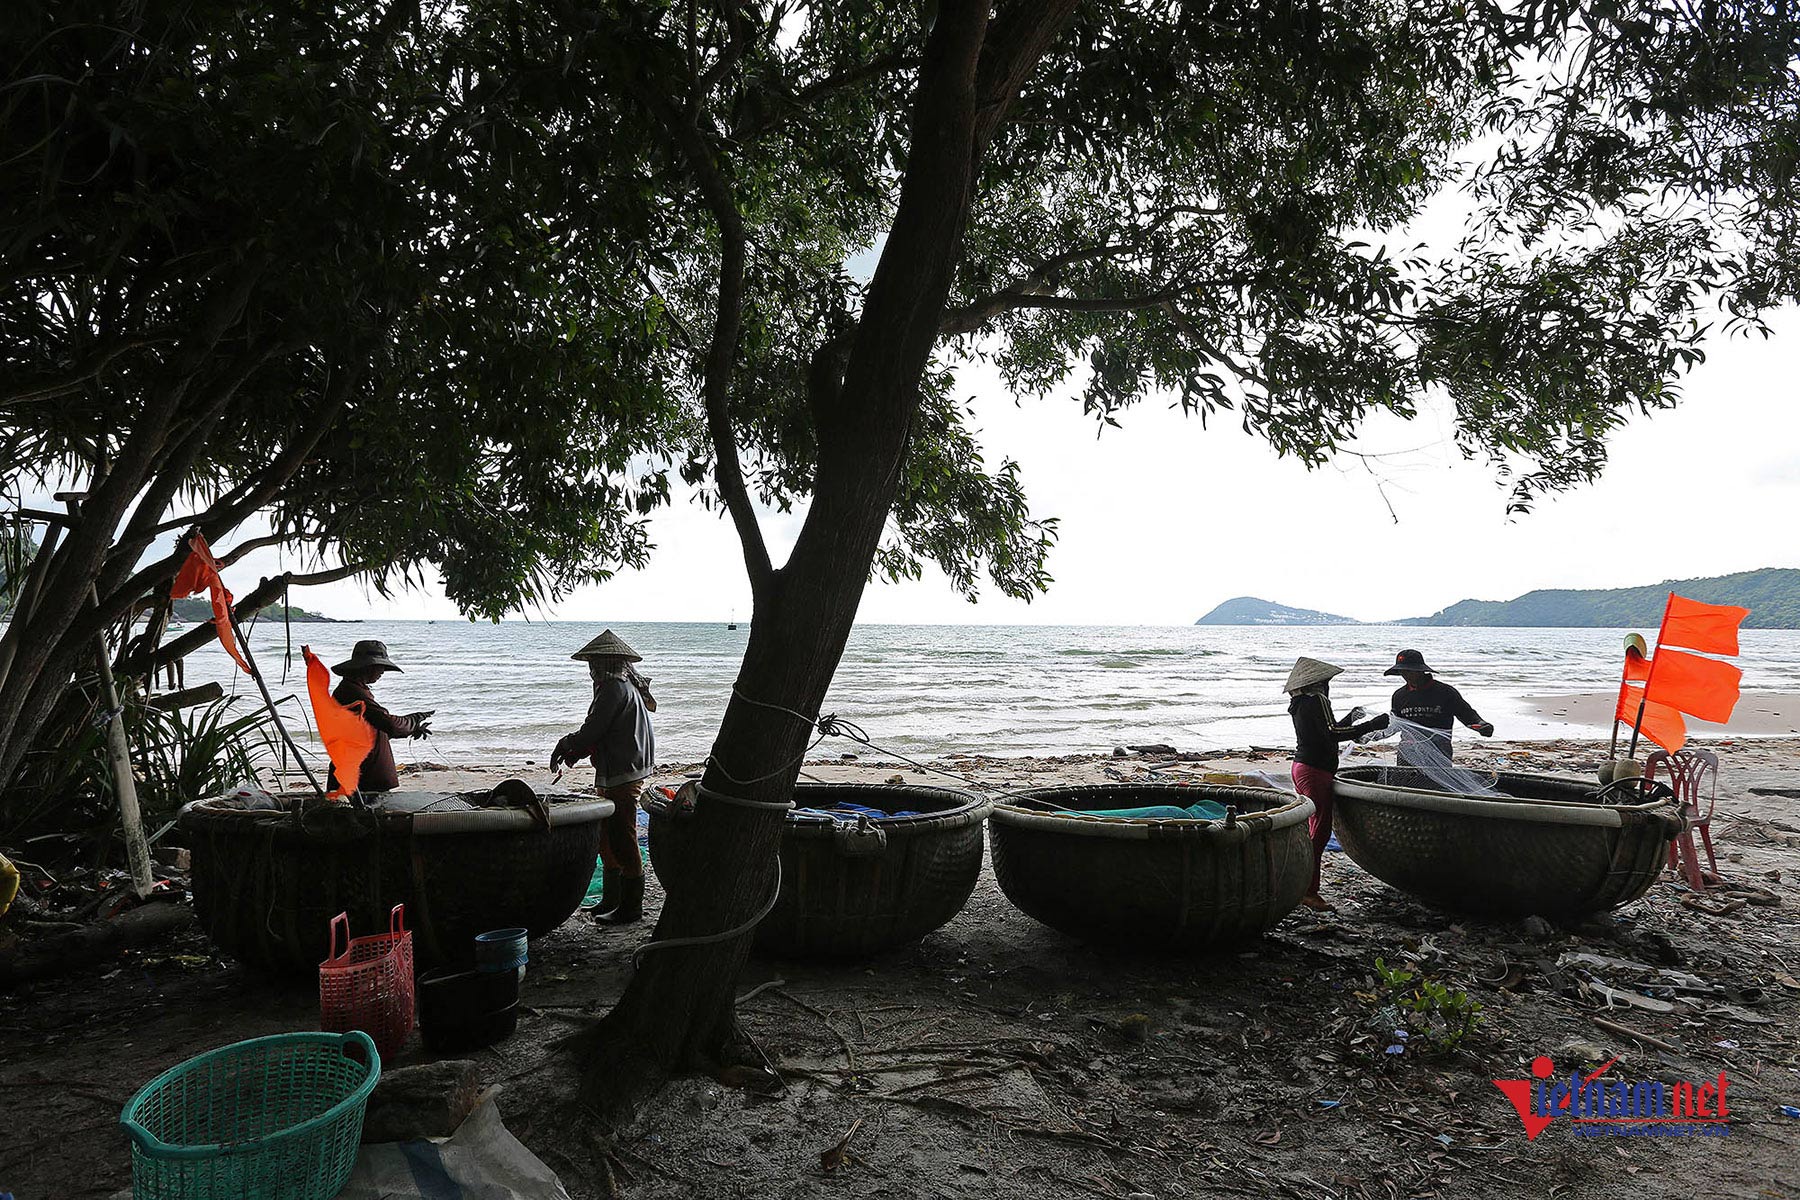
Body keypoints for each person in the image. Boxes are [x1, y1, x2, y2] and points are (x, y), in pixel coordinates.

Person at [552, 629, 656, 925]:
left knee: (623, 835)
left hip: (624, 770)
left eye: (593, 663)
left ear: (602, 663)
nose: (590, 670)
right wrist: (574, 751)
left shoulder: (613, 688)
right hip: (620, 767)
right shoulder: (623, 686)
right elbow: (600, 733)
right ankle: (612, 899)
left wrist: (566, 745)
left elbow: (592, 731)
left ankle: (630, 907)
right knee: (607, 835)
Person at [1286, 657, 1388, 911]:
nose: (1328, 685)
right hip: (1315, 771)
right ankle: (1308, 892)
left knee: (1313, 828)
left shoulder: (1299, 704)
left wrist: (1351, 718)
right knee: (1319, 832)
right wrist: (1370, 725)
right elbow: (1332, 735)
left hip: (1302, 768)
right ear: (1319, 683)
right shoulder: (1317, 700)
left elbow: (1326, 732)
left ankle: (1301, 886)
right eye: (1327, 681)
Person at [329, 640, 433, 794]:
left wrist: (411, 729)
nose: (383, 671)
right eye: (380, 666)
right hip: (362, 777)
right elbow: (388, 723)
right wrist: (414, 720)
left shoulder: (354, 689)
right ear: (367, 667)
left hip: (365, 774)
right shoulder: (352, 693)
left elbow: (373, 729)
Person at [1385, 649, 1493, 769]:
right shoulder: (1399, 695)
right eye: (1403, 672)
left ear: (1421, 671)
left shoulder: (1445, 692)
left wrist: (1481, 725)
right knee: (1404, 782)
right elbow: (1394, 723)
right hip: (1408, 751)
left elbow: (1466, 714)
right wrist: (1368, 732)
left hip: (1439, 750)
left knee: (1438, 785)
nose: (1406, 676)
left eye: (1410, 671)